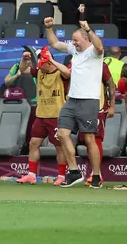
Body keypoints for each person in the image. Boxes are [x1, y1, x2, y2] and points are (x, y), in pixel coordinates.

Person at [44, 16, 104, 188]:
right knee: (62, 133)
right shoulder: (74, 50)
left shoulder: (94, 51)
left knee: (89, 139)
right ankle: (74, 171)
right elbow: (55, 44)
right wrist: (49, 28)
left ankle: (96, 176)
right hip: (72, 100)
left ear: (86, 39)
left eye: (76, 41)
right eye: (73, 41)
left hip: (89, 100)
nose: (73, 43)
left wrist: (88, 29)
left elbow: (100, 46)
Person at [16, 47, 70, 185]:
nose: (39, 64)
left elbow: (67, 72)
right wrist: (24, 59)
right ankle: (31, 175)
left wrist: (51, 59)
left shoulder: (60, 73)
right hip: (41, 115)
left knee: (59, 147)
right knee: (33, 143)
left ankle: (62, 176)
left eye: (42, 61)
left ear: (49, 62)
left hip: (57, 116)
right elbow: (23, 70)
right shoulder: (39, 72)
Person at [83, 61, 114, 188]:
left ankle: (97, 174)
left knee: (95, 139)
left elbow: (111, 85)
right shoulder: (76, 62)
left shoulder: (100, 65)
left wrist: (112, 106)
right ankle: (92, 172)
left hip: (98, 107)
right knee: (87, 140)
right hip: (82, 107)